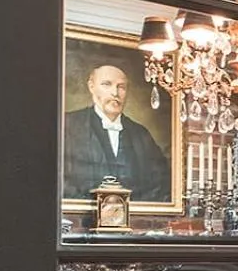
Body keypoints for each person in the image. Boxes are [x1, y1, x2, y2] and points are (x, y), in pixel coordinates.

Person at [62, 63, 171, 202]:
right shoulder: (68, 124)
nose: (115, 93)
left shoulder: (141, 134)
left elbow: (159, 184)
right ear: (91, 86)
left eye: (121, 87)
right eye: (106, 84)